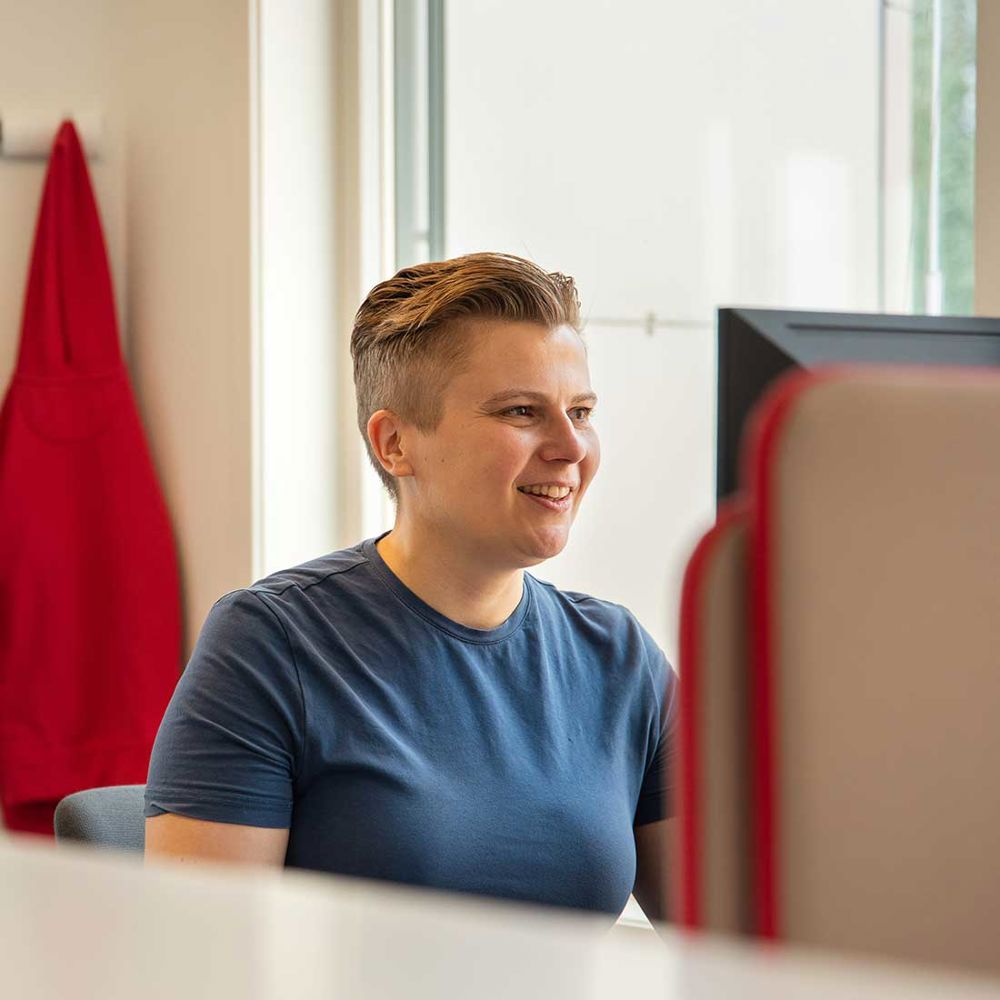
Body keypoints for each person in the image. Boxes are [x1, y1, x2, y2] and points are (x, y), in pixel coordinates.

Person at [144, 252, 678, 921]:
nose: (571, 447)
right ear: (395, 443)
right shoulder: (272, 643)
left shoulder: (620, 660)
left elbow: (742, 945)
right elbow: (200, 962)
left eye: (582, 410)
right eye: (521, 411)